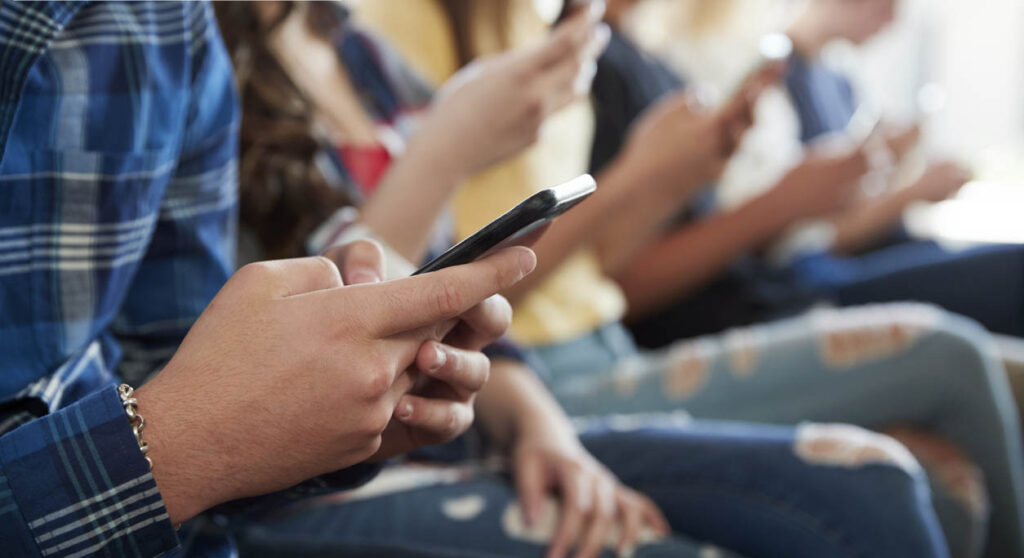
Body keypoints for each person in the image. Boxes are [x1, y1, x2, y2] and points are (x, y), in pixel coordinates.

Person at [218, 2, 952, 557]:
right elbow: (384, 311)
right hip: (433, 416)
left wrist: (537, 419)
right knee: (933, 371)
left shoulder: (363, 48)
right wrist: (643, 182)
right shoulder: (357, 38)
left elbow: (457, 299)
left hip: (504, 385)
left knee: (884, 476)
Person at [0, 2, 535, 557]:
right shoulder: (222, 46)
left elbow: (168, 372)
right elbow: (192, 414)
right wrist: (189, 444)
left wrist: (329, 421)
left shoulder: (175, 24)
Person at [647, 0, 1024, 341]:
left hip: (821, 262)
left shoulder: (837, 81)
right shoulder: (760, 73)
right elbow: (812, 231)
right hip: (811, 274)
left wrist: (888, 171)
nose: (892, 21)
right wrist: (906, 193)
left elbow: (822, 205)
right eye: (886, 7)